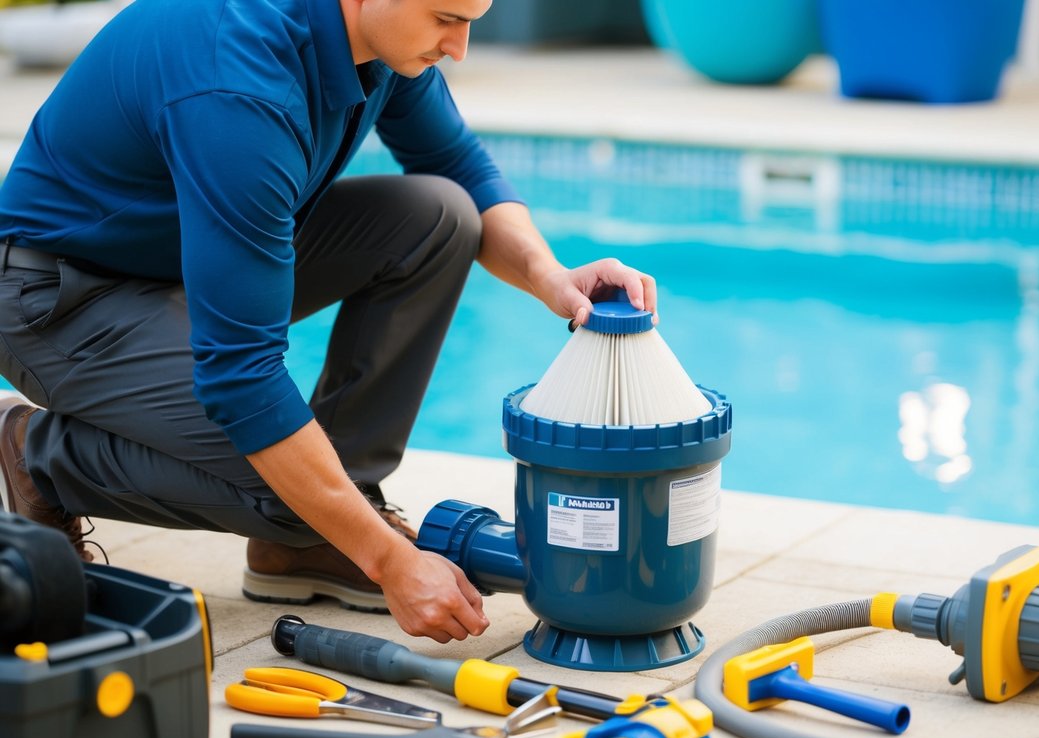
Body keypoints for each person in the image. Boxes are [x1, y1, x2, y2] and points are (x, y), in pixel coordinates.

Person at [0, 0, 658, 644]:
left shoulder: (373, 40)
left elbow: (457, 164)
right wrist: (389, 559)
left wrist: (548, 276)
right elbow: (242, 378)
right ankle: (38, 454)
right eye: (446, 20)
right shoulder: (238, 83)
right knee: (305, 497)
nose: (457, 49)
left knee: (437, 214)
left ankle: (308, 548)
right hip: (56, 295)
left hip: (183, 260)